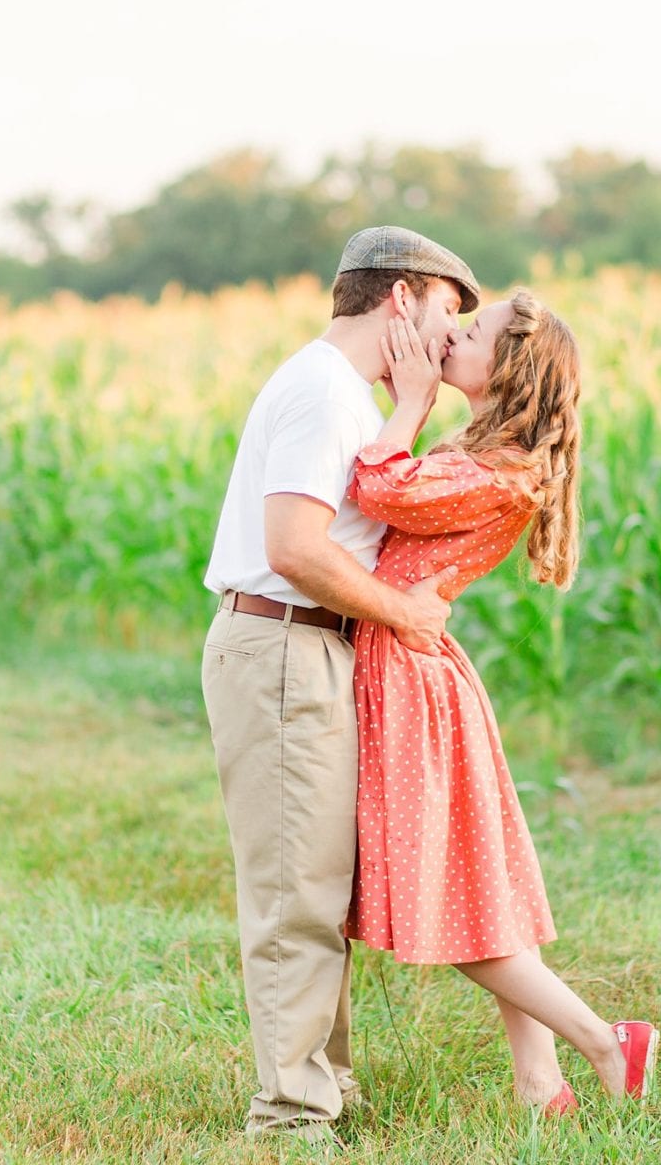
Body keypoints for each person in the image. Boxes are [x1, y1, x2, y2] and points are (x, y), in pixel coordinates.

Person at [344, 289, 658, 1116]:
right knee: (485, 897)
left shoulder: (495, 471)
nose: (452, 334)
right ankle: (540, 1084)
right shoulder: (486, 451)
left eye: (470, 331)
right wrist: (407, 398)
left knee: (447, 910)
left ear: (508, 369)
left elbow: (380, 487)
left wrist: (406, 403)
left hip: (410, 682)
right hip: (417, 668)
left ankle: (604, 1040)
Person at [200, 227, 481, 1141]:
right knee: (295, 892)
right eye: (447, 309)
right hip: (283, 646)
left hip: (309, 649)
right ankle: (289, 1117)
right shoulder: (324, 393)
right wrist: (406, 616)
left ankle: (325, 1086)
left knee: (321, 881)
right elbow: (294, 548)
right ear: (400, 299)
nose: (452, 334)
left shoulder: (349, 397)